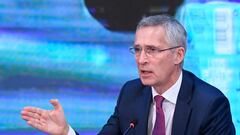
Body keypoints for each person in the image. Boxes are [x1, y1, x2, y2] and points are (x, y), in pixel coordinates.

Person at [21, 15, 235, 135]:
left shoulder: (210, 104)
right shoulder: (131, 93)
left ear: (178, 54)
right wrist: (66, 131)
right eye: (137, 49)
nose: (141, 59)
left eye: (152, 50)